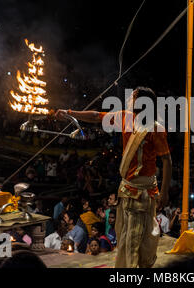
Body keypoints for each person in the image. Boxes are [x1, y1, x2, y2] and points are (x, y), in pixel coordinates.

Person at [56, 87, 172, 268]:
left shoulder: (155, 129)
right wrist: (70, 113)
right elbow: (96, 116)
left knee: (138, 240)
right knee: (125, 237)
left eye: (132, 97)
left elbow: (167, 161)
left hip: (143, 193)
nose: (128, 100)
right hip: (126, 189)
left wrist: (164, 193)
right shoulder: (126, 117)